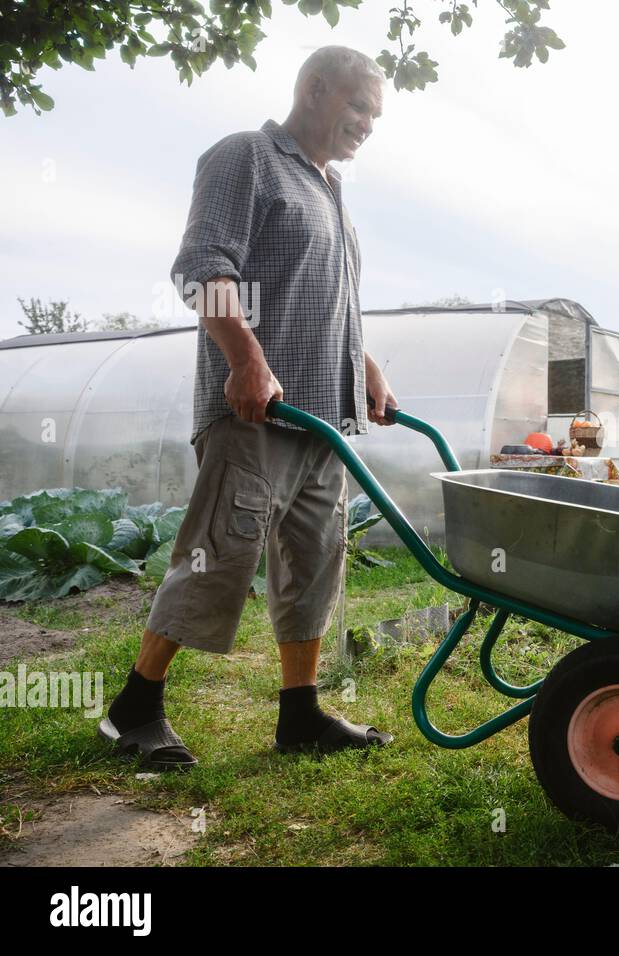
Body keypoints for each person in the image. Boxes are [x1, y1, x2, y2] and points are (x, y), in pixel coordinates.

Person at [98, 46, 399, 769]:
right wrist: (246, 359)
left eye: (375, 116)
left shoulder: (333, 194)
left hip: (326, 421)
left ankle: (300, 714)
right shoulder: (248, 158)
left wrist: (366, 367)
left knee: (316, 567)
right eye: (359, 107)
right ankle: (133, 708)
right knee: (215, 559)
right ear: (315, 89)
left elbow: (328, 303)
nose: (366, 125)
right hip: (256, 415)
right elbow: (203, 266)